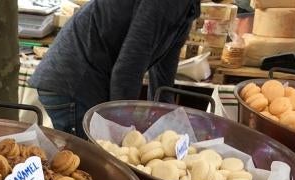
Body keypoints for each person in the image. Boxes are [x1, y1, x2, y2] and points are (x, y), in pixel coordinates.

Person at [30, 0, 199, 135]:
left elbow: (164, 70)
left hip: (84, 80)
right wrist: (123, 129)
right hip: (74, 81)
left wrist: (167, 121)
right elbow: (128, 68)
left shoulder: (188, 7)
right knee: (93, 163)